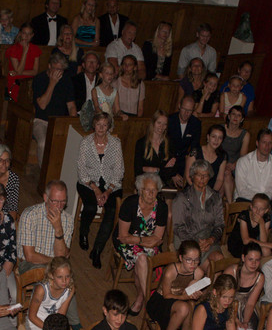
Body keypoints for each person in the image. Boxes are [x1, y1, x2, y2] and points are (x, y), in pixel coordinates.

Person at [113, 173, 168, 316]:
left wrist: (138, 240)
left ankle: (141, 298)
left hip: (145, 243)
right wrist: (143, 241)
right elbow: (123, 237)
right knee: (142, 259)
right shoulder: (130, 204)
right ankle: (150, 301)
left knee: (141, 262)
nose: (151, 194)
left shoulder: (162, 207)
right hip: (127, 245)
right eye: (147, 190)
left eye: (154, 190)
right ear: (140, 190)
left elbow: (158, 238)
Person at [77, 112, 124, 268]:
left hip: (111, 185)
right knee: (90, 207)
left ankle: (97, 250)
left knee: (111, 212)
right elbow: (81, 170)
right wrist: (96, 190)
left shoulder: (115, 144)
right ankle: (83, 232)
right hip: (88, 183)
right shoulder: (86, 143)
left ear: (108, 126)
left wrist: (108, 191)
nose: (101, 128)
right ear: (94, 125)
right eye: (98, 124)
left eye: (105, 125)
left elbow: (119, 170)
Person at [146, 240, 204, 330]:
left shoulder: (198, 272)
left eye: (196, 260)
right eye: (189, 260)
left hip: (180, 301)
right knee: (184, 308)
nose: (193, 264)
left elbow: (191, 294)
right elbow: (167, 295)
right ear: (181, 258)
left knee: (190, 306)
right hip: (161, 301)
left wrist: (195, 293)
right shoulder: (171, 271)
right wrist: (185, 297)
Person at [171, 160, 225, 273]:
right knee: (207, 269)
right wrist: (197, 243)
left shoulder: (215, 197)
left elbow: (220, 224)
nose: (202, 178)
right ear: (192, 176)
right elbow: (178, 227)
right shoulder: (182, 198)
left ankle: (212, 284)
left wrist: (211, 240)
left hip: (209, 242)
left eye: (205, 175)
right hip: (188, 241)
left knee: (219, 261)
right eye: (199, 175)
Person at [16, 179, 73, 273]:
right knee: (53, 276)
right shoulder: (30, 215)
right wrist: (54, 261)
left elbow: (61, 255)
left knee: (65, 277)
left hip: (54, 265)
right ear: (46, 198)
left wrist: (58, 228)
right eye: (55, 201)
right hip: (30, 264)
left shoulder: (68, 219)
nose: (59, 206)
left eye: (63, 201)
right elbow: (30, 256)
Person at [32, 52, 76, 165]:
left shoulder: (66, 80)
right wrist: (52, 83)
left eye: (61, 70)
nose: (58, 72)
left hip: (59, 121)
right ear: (49, 66)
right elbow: (42, 105)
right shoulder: (40, 79)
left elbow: (71, 106)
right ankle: (44, 173)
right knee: (43, 143)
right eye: (56, 69)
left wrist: (73, 124)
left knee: (74, 141)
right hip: (41, 121)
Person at [233, 128, 272, 225]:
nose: (267, 146)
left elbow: (271, 189)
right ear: (257, 143)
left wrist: (262, 204)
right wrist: (260, 203)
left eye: (270, 143)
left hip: (266, 200)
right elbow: (242, 190)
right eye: (264, 142)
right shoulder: (243, 162)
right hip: (245, 199)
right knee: (268, 216)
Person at [223, 242, 265, 330]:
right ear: (243, 258)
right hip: (227, 305)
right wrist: (237, 321)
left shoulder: (260, 277)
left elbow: (250, 303)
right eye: (250, 259)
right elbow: (222, 298)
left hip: (246, 308)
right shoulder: (231, 271)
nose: (254, 263)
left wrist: (245, 322)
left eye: (257, 260)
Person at [27, 257, 76, 330]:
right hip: (37, 322)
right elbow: (32, 316)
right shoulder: (42, 290)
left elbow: (61, 315)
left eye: (67, 276)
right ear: (51, 275)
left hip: (54, 323)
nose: (64, 281)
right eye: (60, 277)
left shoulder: (70, 289)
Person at [134, 110, 177, 187]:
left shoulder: (169, 143)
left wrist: (152, 169)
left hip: (164, 183)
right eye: (159, 123)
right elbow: (137, 170)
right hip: (146, 183)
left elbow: (172, 171)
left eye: (164, 124)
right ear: (153, 123)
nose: (161, 127)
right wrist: (162, 169)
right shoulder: (141, 143)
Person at [167, 96, 201, 185]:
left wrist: (188, 169)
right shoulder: (169, 120)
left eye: (189, 110)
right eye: (184, 109)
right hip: (168, 161)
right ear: (179, 106)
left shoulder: (196, 123)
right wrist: (172, 173)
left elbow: (194, 147)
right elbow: (163, 147)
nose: (186, 113)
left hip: (185, 162)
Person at [184, 124, 227, 192]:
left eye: (220, 138)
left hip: (210, 192)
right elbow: (188, 176)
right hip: (192, 190)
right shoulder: (195, 152)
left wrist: (212, 194)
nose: (216, 140)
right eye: (214, 136)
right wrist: (199, 192)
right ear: (208, 137)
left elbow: (219, 179)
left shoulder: (223, 156)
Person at [227, 194, 271, 259]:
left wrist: (261, 223)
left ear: (266, 211)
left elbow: (263, 241)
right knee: (252, 253)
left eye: (261, 209)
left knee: (266, 251)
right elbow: (245, 240)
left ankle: (263, 265)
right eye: (255, 207)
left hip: (252, 243)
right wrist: (268, 245)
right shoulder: (244, 215)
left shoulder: (266, 218)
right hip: (238, 243)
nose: (257, 211)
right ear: (251, 207)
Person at [221, 105, 251, 202]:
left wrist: (234, 164)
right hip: (220, 160)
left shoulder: (245, 134)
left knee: (227, 173)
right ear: (229, 116)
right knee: (225, 173)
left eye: (239, 115)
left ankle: (228, 204)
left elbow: (243, 156)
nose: (235, 117)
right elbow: (215, 149)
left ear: (242, 119)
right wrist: (224, 164)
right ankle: (229, 203)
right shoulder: (221, 129)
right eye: (233, 114)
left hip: (235, 164)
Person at [6, 23, 41, 102]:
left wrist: (18, 73)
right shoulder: (13, 49)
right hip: (16, 78)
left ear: (32, 35)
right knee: (15, 81)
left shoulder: (35, 49)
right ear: (20, 34)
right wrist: (25, 52)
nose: (26, 36)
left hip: (28, 77)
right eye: (24, 33)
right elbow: (19, 70)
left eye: (29, 34)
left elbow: (35, 71)